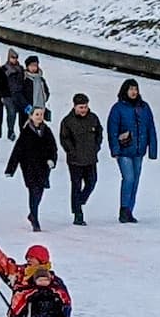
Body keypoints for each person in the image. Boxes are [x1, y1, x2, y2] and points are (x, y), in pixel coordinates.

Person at [107, 78, 158, 223]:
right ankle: (124, 208)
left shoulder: (144, 107)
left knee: (135, 180)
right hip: (124, 150)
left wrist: (152, 149)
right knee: (128, 178)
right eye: (131, 89)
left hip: (139, 150)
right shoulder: (118, 108)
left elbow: (150, 128)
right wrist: (115, 149)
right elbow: (113, 129)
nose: (134, 92)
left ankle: (130, 209)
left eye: (135, 89)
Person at [6, 105, 59, 232]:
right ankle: (34, 217)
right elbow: (17, 151)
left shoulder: (47, 131)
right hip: (29, 167)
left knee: (39, 192)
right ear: (31, 116)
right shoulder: (26, 133)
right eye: (37, 114)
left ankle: (32, 213)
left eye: (41, 114)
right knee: (33, 191)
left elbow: (53, 147)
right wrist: (10, 169)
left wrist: (52, 159)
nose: (39, 117)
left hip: (43, 167)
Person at [59, 93, 103, 225]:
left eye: (85, 107)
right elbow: (64, 138)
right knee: (76, 185)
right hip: (75, 160)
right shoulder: (68, 121)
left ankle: (80, 201)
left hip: (90, 158)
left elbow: (99, 134)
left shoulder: (93, 118)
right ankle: (78, 213)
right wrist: (72, 151)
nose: (84, 110)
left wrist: (96, 147)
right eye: (81, 107)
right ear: (75, 107)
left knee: (92, 182)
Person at [1, 49, 25, 140]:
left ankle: (21, 131)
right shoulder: (4, 68)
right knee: (11, 113)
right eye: (12, 57)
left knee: (22, 113)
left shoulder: (20, 69)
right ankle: (10, 130)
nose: (14, 59)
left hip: (19, 94)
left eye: (16, 58)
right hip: (8, 95)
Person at [21, 55, 50, 121]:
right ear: (27, 66)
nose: (33, 68)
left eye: (35, 65)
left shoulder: (41, 79)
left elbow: (46, 91)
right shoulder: (24, 78)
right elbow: (20, 94)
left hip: (39, 110)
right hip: (26, 109)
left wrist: (45, 97)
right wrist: (25, 105)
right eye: (31, 65)